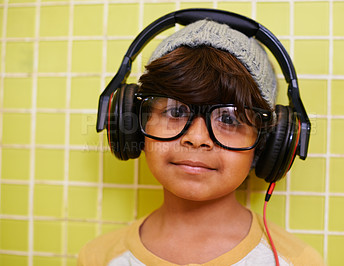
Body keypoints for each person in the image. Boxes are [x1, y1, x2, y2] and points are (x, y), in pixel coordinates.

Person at [78, 19, 324, 265]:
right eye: (175, 112)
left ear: (266, 142)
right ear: (133, 126)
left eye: (228, 118)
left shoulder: (297, 261)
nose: (196, 138)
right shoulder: (99, 257)